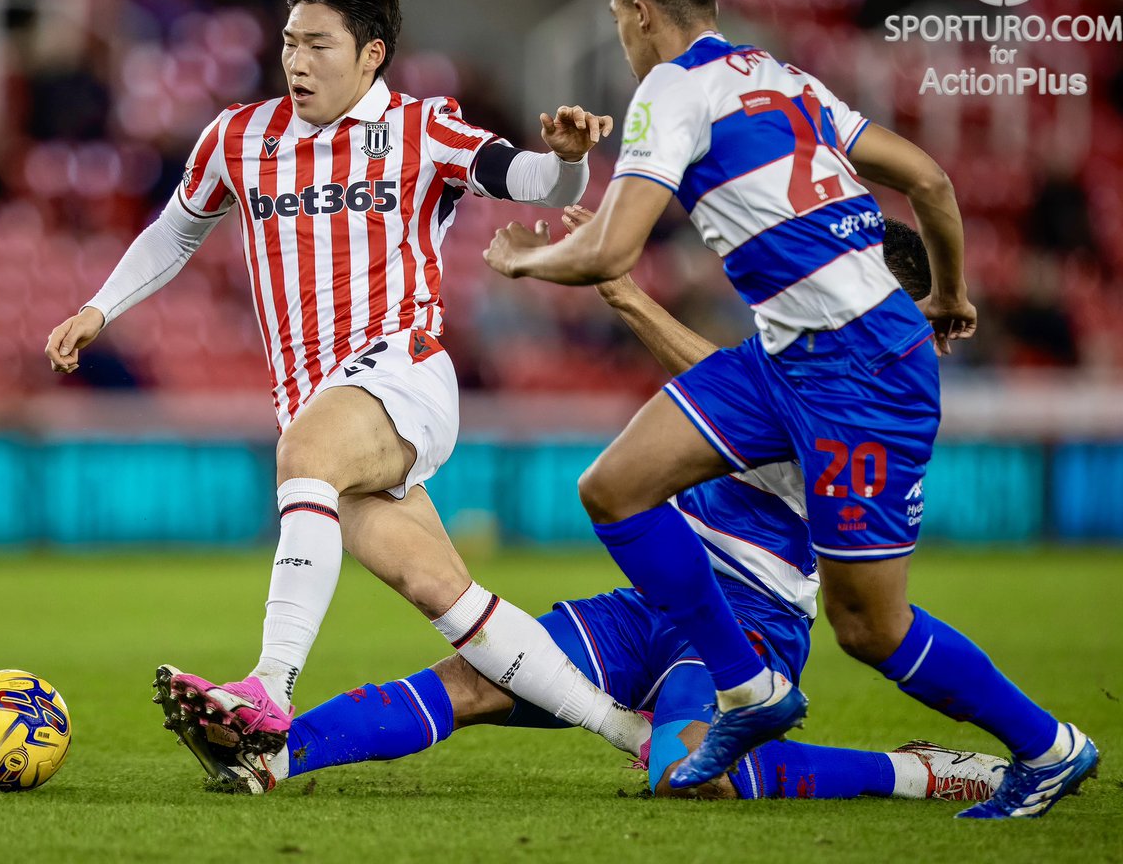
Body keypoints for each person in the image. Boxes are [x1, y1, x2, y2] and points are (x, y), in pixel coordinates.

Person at [483, 0, 1096, 819]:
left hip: (859, 371)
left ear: (642, 14)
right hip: (791, 356)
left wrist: (521, 263)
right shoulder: (784, 79)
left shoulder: (671, 86)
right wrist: (952, 295)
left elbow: (615, 247)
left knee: (870, 629)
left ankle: (1048, 748)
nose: (621, 40)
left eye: (620, 24)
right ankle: (747, 689)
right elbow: (930, 179)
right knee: (613, 488)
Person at [45, 0, 651, 767]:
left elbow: (533, 179)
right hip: (322, 406)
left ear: (370, 54)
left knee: (305, 451)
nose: (296, 59)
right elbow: (177, 228)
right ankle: (636, 736)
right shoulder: (239, 137)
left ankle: (269, 687)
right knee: (449, 598)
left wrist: (573, 161)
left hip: (402, 371)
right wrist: (98, 306)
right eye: (289, 41)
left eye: (317, 43)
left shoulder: (421, 130)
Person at [154, 218, 1004, 805]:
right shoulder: (807, 351)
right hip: (654, 608)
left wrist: (628, 297)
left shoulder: (877, 405)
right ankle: (269, 753)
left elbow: (747, 399)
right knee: (476, 683)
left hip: (751, 626)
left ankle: (912, 773)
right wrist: (622, 290)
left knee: (684, 775)